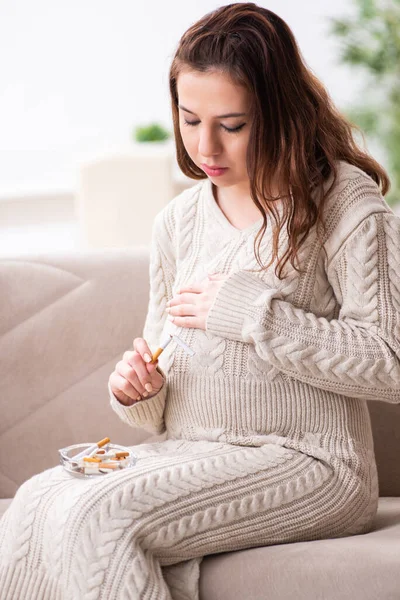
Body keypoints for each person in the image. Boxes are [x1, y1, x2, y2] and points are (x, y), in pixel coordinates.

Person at [1, 3, 399, 599]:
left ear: (281, 114)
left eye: (232, 125)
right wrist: (142, 390)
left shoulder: (342, 202)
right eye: (190, 120)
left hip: (313, 464)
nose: (205, 146)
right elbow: (163, 384)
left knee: (97, 518)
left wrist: (255, 315)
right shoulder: (179, 221)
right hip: (194, 450)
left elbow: (389, 361)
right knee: (35, 501)